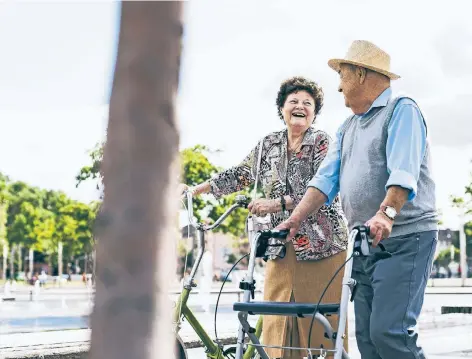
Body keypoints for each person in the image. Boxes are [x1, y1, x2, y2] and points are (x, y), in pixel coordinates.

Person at [277, 40, 438, 359]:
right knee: (366, 338)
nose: (338, 88)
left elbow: (403, 172)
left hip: (405, 239)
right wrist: (294, 220)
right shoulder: (348, 127)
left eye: (343, 75)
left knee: (389, 333)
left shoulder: (401, 109)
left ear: (362, 74)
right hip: (365, 243)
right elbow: (324, 180)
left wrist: (386, 214)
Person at [181, 76, 349, 358]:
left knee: (321, 325)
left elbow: (323, 190)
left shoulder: (321, 142)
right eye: (293, 101)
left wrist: (277, 204)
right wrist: (195, 190)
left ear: (315, 112)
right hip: (281, 246)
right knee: (276, 323)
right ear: (282, 108)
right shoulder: (269, 144)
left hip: (323, 247)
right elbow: (240, 174)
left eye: (307, 103)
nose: (300, 106)